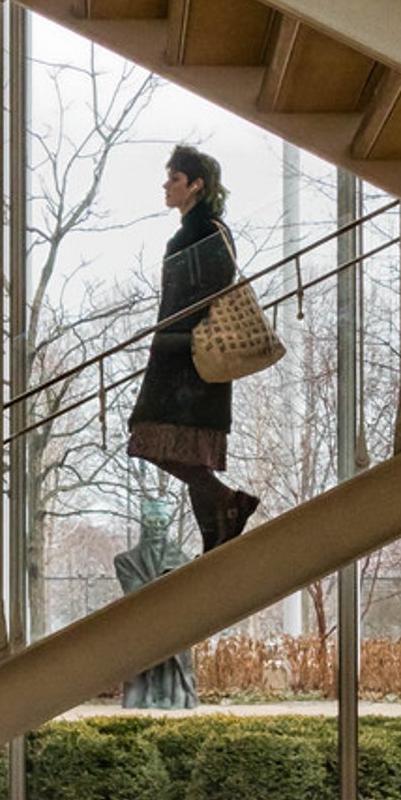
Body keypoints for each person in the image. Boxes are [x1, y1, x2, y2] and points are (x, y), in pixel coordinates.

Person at [126, 144, 259, 553]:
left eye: (175, 178)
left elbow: (206, 293)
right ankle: (215, 535)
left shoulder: (204, 232)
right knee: (192, 453)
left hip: (189, 357)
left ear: (196, 185)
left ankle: (227, 501)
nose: (166, 185)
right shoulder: (197, 232)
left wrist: (172, 337)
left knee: (146, 436)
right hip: (188, 354)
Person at [113, 498, 198, 709]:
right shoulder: (125, 561)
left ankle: (173, 697)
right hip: (143, 626)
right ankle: (145, 697)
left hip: (173, 626)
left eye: (162, 522)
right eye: (153, 522)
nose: (158, 528)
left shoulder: (182, 559)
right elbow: (134, 591)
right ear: (143, 522)